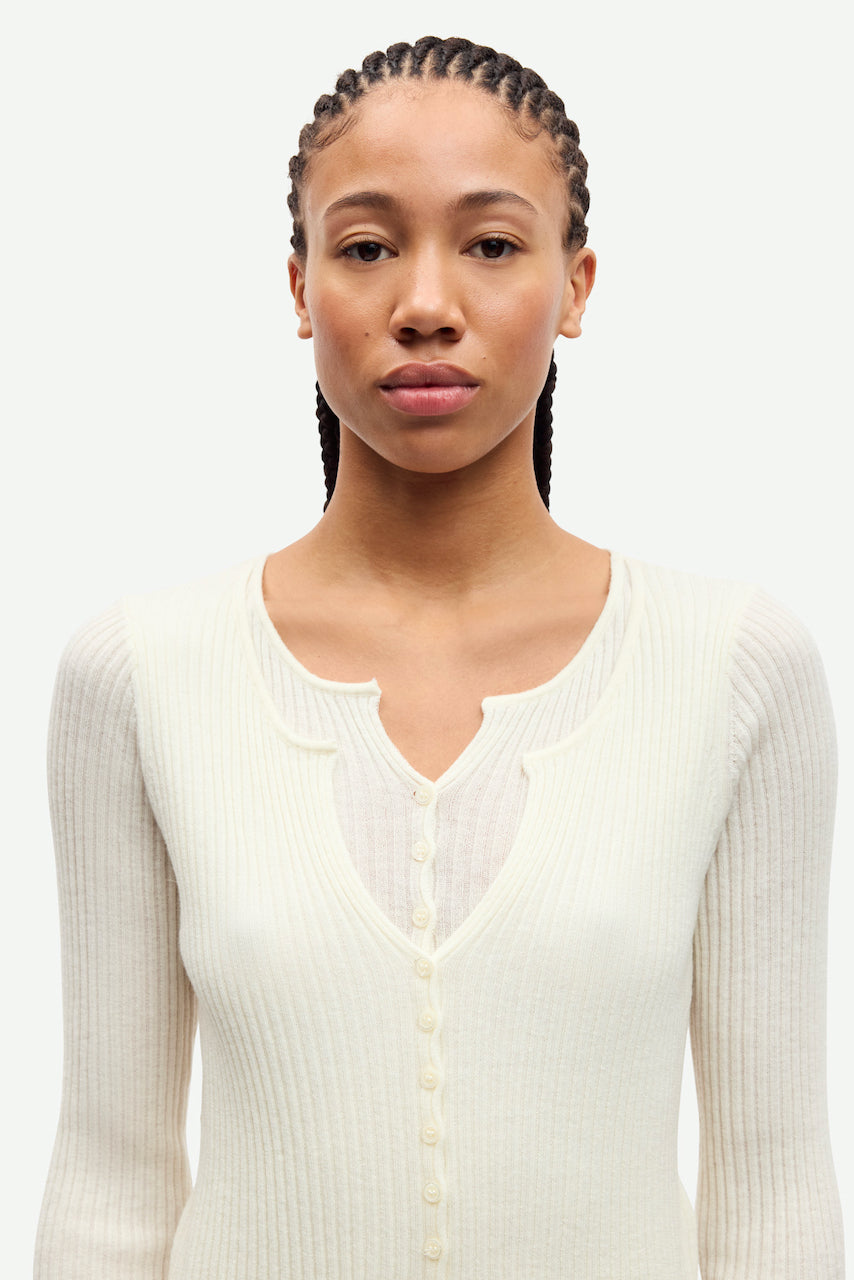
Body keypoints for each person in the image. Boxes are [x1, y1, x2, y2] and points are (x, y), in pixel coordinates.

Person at [33, 34, 844, 1280]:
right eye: (364, 247)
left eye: (491, 244)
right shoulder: (139, 676)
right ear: (298, 287)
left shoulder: (733, 668)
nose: (423, 301)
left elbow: (772, 1182)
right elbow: (111, 1174)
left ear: (574, 286)